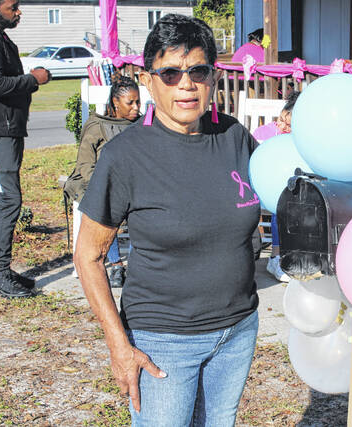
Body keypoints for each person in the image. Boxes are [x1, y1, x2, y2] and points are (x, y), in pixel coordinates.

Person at [74, 14, 259, 425]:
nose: (186, 85)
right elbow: (88, 256)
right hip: (162, 341)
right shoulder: (125, 157)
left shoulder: (234, 138)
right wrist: (118, 344)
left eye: (197, 71)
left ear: (213, 76)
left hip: (237, 331)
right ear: (148, 80)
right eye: (171, 73)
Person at [0, 0, 50, 298]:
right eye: (13, 7)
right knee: (7, 200)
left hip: (7, 130)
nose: (18, 12)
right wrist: (32, 80)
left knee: (3, 200)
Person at [64, 76, 141, 287]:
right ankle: (116, 264)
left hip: (134, 184)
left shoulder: (142, 124)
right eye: (130, 103)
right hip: (101, 182)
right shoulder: (97, 126)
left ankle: (135, 266)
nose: (136, 107)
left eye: (138, 102)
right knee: (107, 208)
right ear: (116, 103)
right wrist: (104, 187)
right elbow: (85, 164)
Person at [252, 91, 300, 282]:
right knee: (280, 205)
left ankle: (296, 255)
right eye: (280, 120)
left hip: (289, 191)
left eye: (289, 125)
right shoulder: (265, 133)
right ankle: (276, 257)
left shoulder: (299, 140)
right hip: (264, 190)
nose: (282, 126)